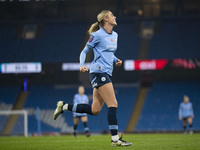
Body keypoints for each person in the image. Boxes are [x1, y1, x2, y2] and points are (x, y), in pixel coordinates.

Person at [53, 10, 132, 146]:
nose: (115, 17)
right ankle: (115, 140)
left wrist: (115, 60)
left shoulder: (115, 35)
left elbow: (108, 52)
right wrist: (82, 65)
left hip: (106, 73)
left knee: (95, 110)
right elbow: (84, 51)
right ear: (106, 19)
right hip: (98, 72)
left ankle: (64, 106)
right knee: (113, 104)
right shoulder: (96, 35)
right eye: (112, 15)